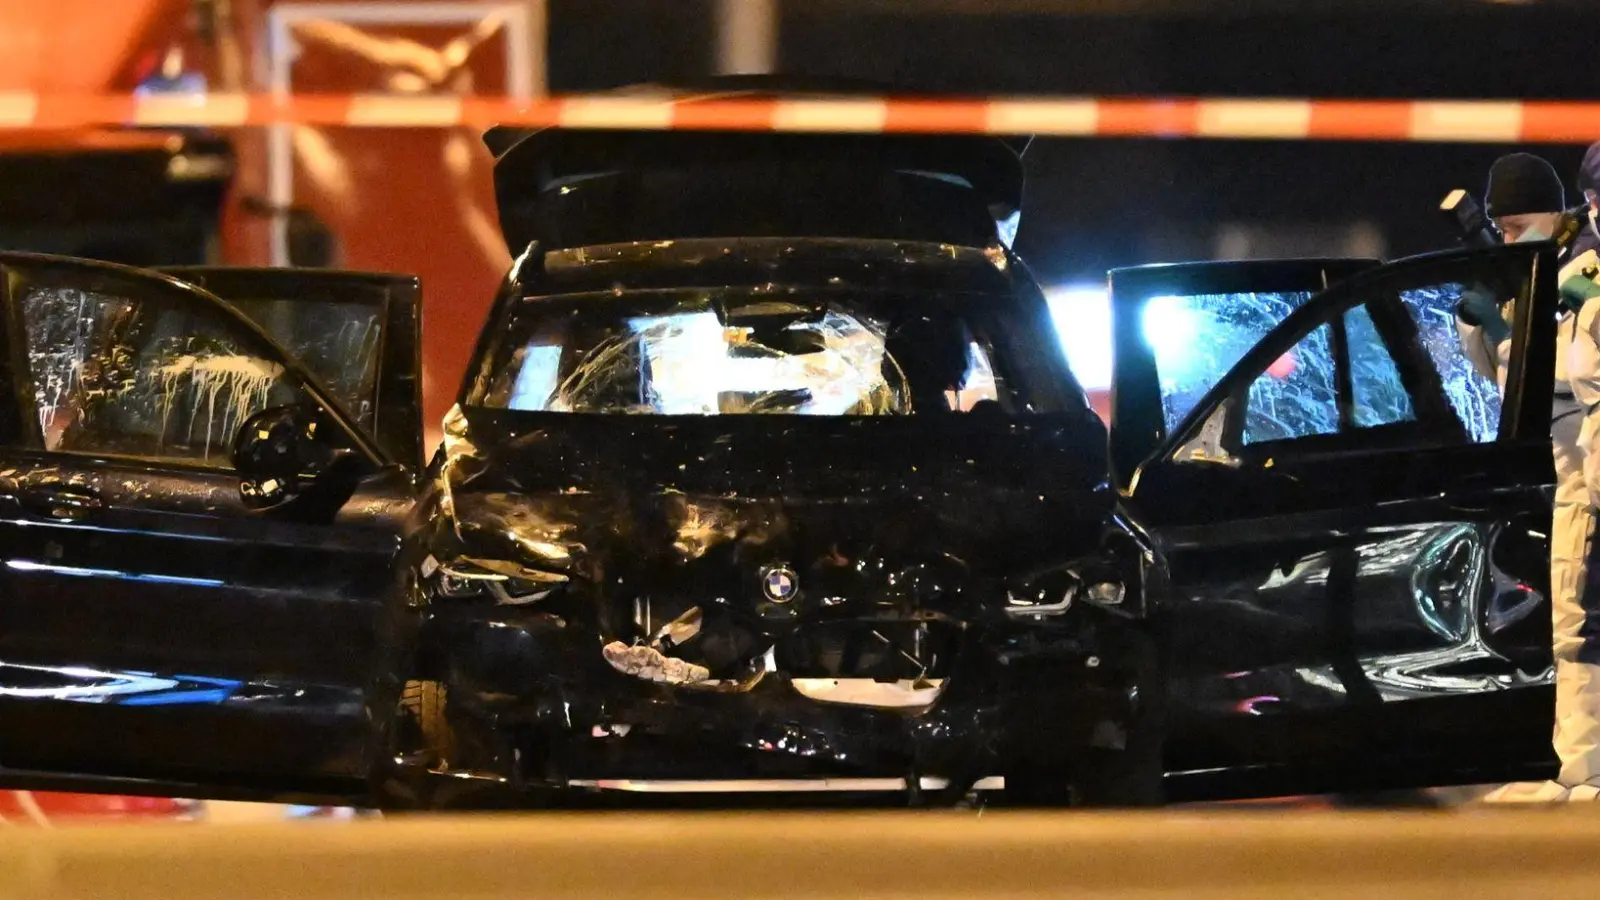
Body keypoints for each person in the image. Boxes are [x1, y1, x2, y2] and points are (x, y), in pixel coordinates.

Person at [1456, 153, 1592, 802]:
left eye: (1518, 227)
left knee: (1577, 619)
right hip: (1558, 473)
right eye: (1499, 229)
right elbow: (1504, 382)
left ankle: (1583, 771)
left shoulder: (1584, 266)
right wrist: (1480, 315)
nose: (1510, 239)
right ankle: (1571, 765)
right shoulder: (1548, 267)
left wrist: (1513, 328)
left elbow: (1563, 372)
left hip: (1584, 469)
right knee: (1562, 620)